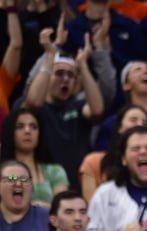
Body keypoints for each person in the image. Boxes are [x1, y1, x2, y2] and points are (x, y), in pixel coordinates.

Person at [22, 27, 104, 192]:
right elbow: (34, 102)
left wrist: (83, 67)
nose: (65, 79)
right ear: (47, 75)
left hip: (78, 188)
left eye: (71, 75)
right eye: (59, 73)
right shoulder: (36, 107)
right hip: (45, 187)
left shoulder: (77, 106)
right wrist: (50, 56)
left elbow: (97, 111)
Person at [92, 60, 147, 152]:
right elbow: (100, 160)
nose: (146, 72)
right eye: (138, 70)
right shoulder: (114, 123)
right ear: (126, 85)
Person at [79, 104, 147, 203]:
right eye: (133, 120)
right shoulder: (93, 162)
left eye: (145, 123)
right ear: (119, 127)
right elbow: (92, 207)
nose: (140, 125)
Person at [0, 107, 69, 208]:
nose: (28, 131)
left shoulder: (55, 171)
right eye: (20, 126)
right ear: (10, 132)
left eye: (33, 127)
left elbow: (61, 209)